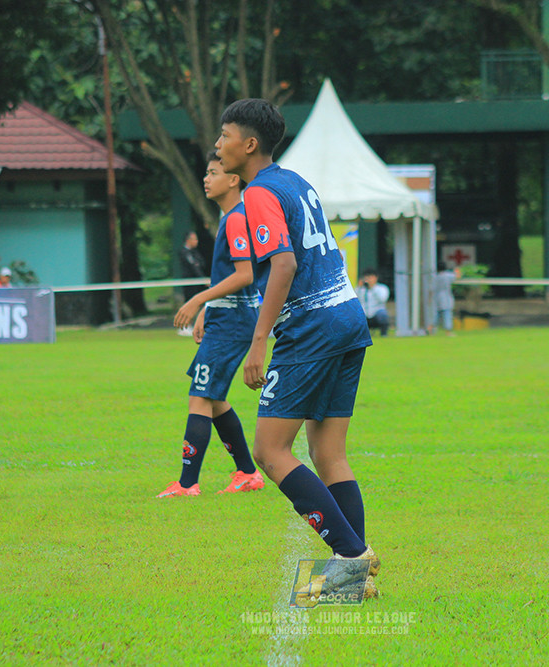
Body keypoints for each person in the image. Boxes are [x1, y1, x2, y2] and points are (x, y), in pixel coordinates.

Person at [215, 98, 380, 598]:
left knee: (268, 450)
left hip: (312, 326)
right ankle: (353, 580)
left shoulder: (259, 193)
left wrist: (258, 342)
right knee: (329, 453)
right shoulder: (296, 182)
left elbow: (283, 265)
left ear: (249, 144)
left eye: (225, 136)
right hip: (347, 316)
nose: (217, 145)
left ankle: (351, 557)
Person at [158, 151, 264, 498]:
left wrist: (198, 300)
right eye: (205, 173)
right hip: (226, 316)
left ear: (233, 179)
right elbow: (229, 276)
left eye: (213, 172)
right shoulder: (230, 218)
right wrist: (208, 308)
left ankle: (187, 484)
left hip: (233, 321)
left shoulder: (236, 219)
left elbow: (245, 275)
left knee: (200, 397)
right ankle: (247, 473)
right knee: (214, 399)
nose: (206, 178)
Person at [178, 230, 208, 335]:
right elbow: (193, 266)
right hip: (189, 282)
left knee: (199, 303)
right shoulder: (184, 252)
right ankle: (184, 326)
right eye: (194, 239)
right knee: (189, 302)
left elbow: (201, 264)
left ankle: (194, 325)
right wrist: (203, 279)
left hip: (197, 283)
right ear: (188, 240)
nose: (196, 241)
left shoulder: (195, 252)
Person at [356, 268, 389, 336]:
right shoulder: (361, 289)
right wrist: (359, 287)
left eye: (370, 277)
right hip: (364, 314)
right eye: (367, 277)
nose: (368, 279)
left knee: (382, 314)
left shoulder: (381, 288)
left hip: (376, 314)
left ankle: (384, 334)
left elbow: (382, 299)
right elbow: (356, 300)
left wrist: (372, 287)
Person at [434, 262, 460, 336]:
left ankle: (430, 327)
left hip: (437, 296)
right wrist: (457, 269)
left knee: (438, 314)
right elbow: (457, 276)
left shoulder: (436, 276)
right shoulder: (447, 275)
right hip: (446, 297)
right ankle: (448, 331)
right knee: (447, 313)